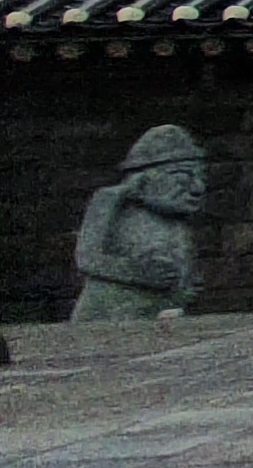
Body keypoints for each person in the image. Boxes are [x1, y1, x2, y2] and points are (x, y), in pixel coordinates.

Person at [72, 126, 207, 323]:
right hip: (111, 316)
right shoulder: (111, 200)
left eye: (201, 176)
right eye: (181, 177)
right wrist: (139, 273)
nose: (197, 187)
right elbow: (87, 258)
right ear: (144, 178)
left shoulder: (177, 223)